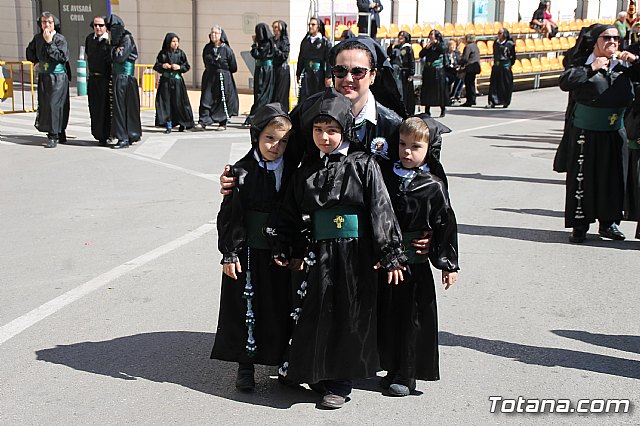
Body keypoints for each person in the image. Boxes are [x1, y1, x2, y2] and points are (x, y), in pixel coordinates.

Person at [272, 88, 406, 409]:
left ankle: (340, 383)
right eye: (318, 130)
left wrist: (390, 253)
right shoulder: (306, 170)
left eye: (332, 130)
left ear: (345, 129)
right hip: (317, 252)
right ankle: (313, 372)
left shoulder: (364, 165)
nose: (325, 137)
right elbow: (288, 212)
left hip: (354, 254)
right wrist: (283, 245)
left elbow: (381, 209)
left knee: (349, 315)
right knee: (314, 313)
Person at [211, 103, 294, 392]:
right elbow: (229, 215)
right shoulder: (240, 171)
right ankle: (245, 364)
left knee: (279, 306)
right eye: (270, 138)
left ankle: (283, 361)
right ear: (256, 136)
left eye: (283, 141)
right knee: (246, 308)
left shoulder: (292, 170)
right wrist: (229, 252)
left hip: (279, 251)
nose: (276, 146)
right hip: (247, 251)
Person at [378, 114, 459, 397]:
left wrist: (448, 264)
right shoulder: (385, 176)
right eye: (402, 145)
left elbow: (445, 223)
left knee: (412, 321)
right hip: (388, 261)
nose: (407, 152)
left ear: (429, 149)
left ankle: (407, 374)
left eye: (415, 147)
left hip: (414, 264)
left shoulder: (433, 185)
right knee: (389, 316)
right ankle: (389, 367)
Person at [558, 23, 640, 243]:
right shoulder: (582, 64)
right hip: (585, 132)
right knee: (583, 179)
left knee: (613, 178)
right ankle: (580, 225)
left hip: (614, 132)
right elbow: (565, 82)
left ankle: (609, 223)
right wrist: (591, 68)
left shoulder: (625, 66)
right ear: (595, 41)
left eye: (616, 38)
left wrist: (634, 61)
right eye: (607, 38)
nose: (613, 42)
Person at [26, 11, 70, 149]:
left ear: (54, 24)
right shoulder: (38, 38)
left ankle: (55, 134)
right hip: (44, 76)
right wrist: (35, 61)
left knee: (55, 105)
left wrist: (49, 42)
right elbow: (30, 51)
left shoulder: (59, 39)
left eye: (49, 22)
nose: (46, 25)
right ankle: (56, 131)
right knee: (46, 105)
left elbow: (62, 57)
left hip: (57, 77)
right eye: (44, 22)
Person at [106, 14, 141, 149]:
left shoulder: (126, 38)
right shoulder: (116, 41)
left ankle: (126, 137)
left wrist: (114, 50)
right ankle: (124, 135)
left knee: (125, 108)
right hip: (119, 78)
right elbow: (111, 56)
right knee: (120, 109)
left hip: (125, 78)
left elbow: (119, 57)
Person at [197, 26, 239, 131]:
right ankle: (203, 121)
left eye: (216, 33)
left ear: (221, 35)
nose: (213, 35)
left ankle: (222, 122)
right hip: (210, 77)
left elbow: (233, 66)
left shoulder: (227, 50)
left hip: (223, 78)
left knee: (222, 99)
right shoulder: (207, 48)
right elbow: (206, 61)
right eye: (212, 33)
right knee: (206, 99)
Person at [153, 32, 194, 133]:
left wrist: (179, 67)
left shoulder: (180, 53)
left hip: (177, 82)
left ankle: (183, 123)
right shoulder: (162, 53)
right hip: (166, 82)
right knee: (166, 103)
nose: (175, 44)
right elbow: (156, 65)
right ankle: (168, 124)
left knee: (180, 103)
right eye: (173, 41)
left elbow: (186, 66)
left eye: (177, 41)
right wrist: (163, 66)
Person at [85, 16, 111, 146]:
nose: (98, 28)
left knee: (105, 108)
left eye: (101, 25)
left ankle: (108, 134)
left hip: (105, 79)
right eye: (95, 25)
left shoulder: (109, 41)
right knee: (94, 107)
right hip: (93, 79)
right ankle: (98, 134)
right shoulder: (90, 39)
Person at [245, 23, 276, 126]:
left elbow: (257, 54)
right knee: (260, 93)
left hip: (264, 70)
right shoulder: (268, 42)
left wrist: (254, 44)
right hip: (262, 69)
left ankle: (255, 116)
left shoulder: (266, 44)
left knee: (261, 94)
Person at [296, 17, 331, 104]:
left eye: (313, 24)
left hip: (318, 74)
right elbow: (301, 58)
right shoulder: (305, 41)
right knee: (305, 97)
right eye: (309, 25)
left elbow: (329, 61)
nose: (310, 26)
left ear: (318, 27)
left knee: (317, 97)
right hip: (307, 73)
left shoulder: (325, 42)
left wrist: (328, 76)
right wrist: (298, 73)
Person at [420, 30, 449, 117]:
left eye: (432, 34)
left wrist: (436, 43)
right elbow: (421, 54)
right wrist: (426, 48)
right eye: (430, 34)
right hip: (429, 69)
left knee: (439, 90)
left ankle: (442, 108)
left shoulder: (440, 45)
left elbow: (443, 50)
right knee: (428, 90)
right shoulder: (429, 45)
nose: (430, 36)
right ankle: (427, 109)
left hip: (438, 70)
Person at [387, 31, 416, 115]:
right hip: (397, 72)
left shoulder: (408, 48)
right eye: (399, 35)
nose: (400, 37)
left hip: (405, 72)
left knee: (406, 92)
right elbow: (390, 56)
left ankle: (407, 110)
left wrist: (411, 73)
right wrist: (390, 46)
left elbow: (412, 61)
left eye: (402, 36)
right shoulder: (397, 47)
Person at [487, 28, 516, 108]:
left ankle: (505, 101)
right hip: (497, 66)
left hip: (505, 67)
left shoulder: (510, 44)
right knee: (494, 84)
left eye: (500, 33)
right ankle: (493, 101)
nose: (498, 35)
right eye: (498, 33)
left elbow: (513, 56)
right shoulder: (496, 43)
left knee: (506, 85)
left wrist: (509, 64)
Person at [272, 20, 291, 111]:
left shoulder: (284, 41)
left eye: (276, 27)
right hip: (273, 68)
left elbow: (284, 55)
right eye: (273, 27)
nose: (274, 30)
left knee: (281, 93)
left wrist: (275, 49)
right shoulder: (272, 40)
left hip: (282, 69)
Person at [459, 34, 481, 107]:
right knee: (472, 83)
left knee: (468, 84)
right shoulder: (475, 46)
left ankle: (470, 100)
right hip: (475, 67)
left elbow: (465, 58)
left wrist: (459, 62)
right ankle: (473, 99)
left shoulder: (468, 47)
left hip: (470, 68)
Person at [444, 39, 463, 104]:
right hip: (448, 72)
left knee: (460, 78)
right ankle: (449, 96)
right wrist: (453, 67)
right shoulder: (446, 54)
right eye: (452, 46)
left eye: (454, 46)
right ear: (449, 46)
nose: (453, 47)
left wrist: (458, 66)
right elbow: (446, 64)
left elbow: (459, 62)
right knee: (447, 80)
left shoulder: (457, 53)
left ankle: (455, 94)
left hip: (455, 72)